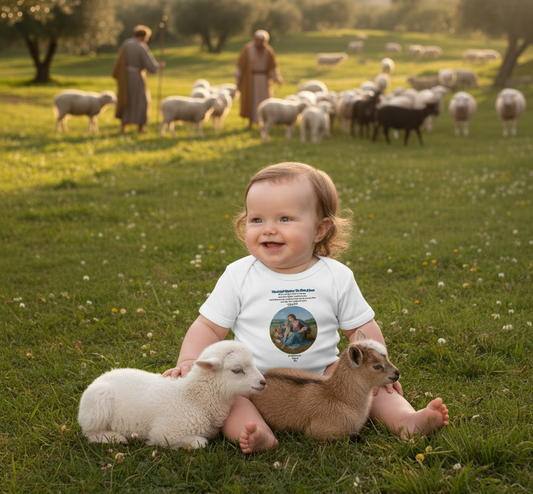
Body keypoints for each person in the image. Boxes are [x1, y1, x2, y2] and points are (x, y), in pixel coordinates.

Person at [163, 162, 449, 453]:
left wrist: (376, 369)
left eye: (285, 219)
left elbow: (361, 330)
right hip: (252, 379)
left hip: (326, 377)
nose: (268, 229)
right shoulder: (239, 275)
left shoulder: (336, 276)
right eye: (257, 219)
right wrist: (187, 360)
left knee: (375, 390)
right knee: (229, 399)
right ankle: (258, 434)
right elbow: (208, 326)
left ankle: (407, 421)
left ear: (319, 229)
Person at [111, 25, 164, 134]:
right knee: (142, 101)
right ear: (144, 36)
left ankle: (123, 126)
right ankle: (140, 128)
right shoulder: (141, 47)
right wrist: (159, 66)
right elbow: (150, 66)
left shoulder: (125, 44)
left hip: (125, 78)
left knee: (127, 99)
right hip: (137, 77)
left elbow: (119, 63)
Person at [235, 30, 283, 127]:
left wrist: (276, 78)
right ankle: (251, 121)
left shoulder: (268, 50)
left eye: (262, 40)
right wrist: (238, 78)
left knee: (264, 99)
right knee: (251, 99)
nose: (260, 42)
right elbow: (240, 66)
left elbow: (273, 67)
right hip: (251, 79)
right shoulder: (247, 49)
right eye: (258, 40)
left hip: (264, 79)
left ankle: (265, 122)